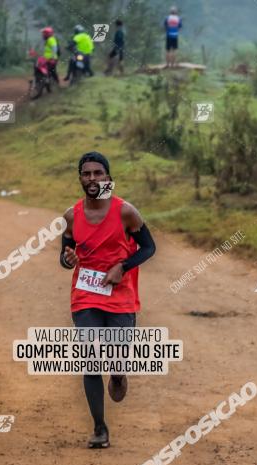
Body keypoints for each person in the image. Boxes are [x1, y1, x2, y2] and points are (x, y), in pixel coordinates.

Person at [60, 152, 156, 448]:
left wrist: (122, 267)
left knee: (116, 356)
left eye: (98, 173)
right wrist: (68, 258)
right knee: (90, 359)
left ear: (108, 178)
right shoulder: (72, 216)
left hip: (120, 295)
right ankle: (100, 429)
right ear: (80, 178)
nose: (92, 178)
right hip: (86, 295)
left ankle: (118, 374)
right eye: (86, 173)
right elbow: (65, 256)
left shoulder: (125, 211)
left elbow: (149, 248)